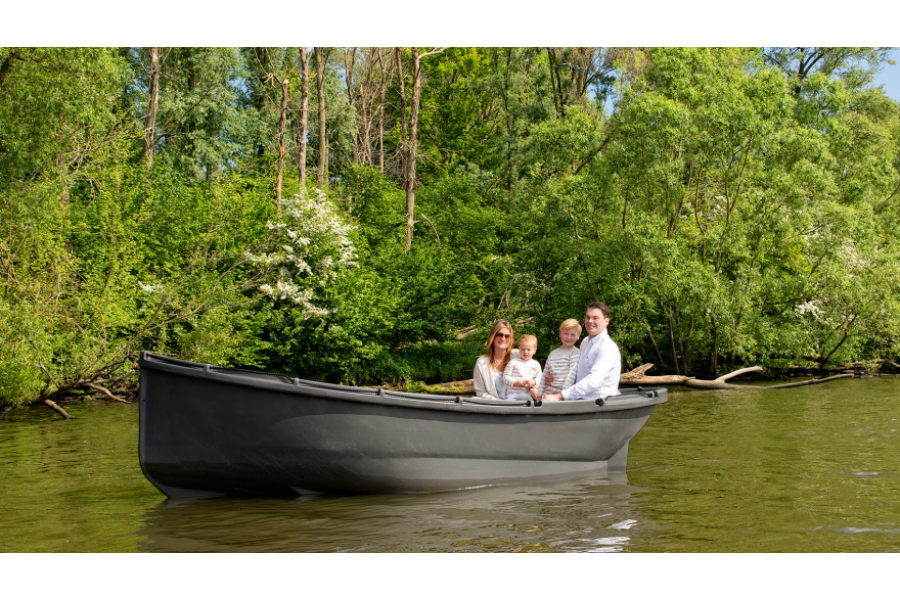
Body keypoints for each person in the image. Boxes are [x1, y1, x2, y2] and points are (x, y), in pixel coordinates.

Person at [542, 302, 621, 402]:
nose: (590, 321)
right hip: (581, 400)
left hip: (600, 404)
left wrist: (559, 396)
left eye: (595, 318)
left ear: (606, 321)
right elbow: (576, 372)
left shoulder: (607, 347)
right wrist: (554, 378)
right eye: (588, 317)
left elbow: (592, 382)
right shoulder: (585, 342)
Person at [533, 319, 582, 401]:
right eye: (566, 333)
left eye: (573, 335)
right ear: (560, 334)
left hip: (563, 396)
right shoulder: (552, 354)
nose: (569, 337)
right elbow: (544, 375)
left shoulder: (575, 353)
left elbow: (571, 376)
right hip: (547, 394)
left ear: (578, 336)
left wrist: (562, 396)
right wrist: (539, 395)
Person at [472, 320, 516, 400]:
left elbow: (534, 372)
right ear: (493, 337)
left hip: (516, 407)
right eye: (500, 335)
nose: (503, 339)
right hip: (492, 408)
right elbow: (481, 393)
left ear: (510, 339)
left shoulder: (517, 358)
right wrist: (498, 403)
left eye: (507, 336)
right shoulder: (481, 363)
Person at [502, 334, 542, 401]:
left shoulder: (535, 364)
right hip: (513, 394)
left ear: (534, 350)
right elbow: (505, 377)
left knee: (530, 398)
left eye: (529, 350)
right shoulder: (513, 362)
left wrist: (534, 381)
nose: (525, 352)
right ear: (519, 349)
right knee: (511, 406)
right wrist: (515, 382)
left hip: (528, 393)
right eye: (523, 349)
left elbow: (540, 378)